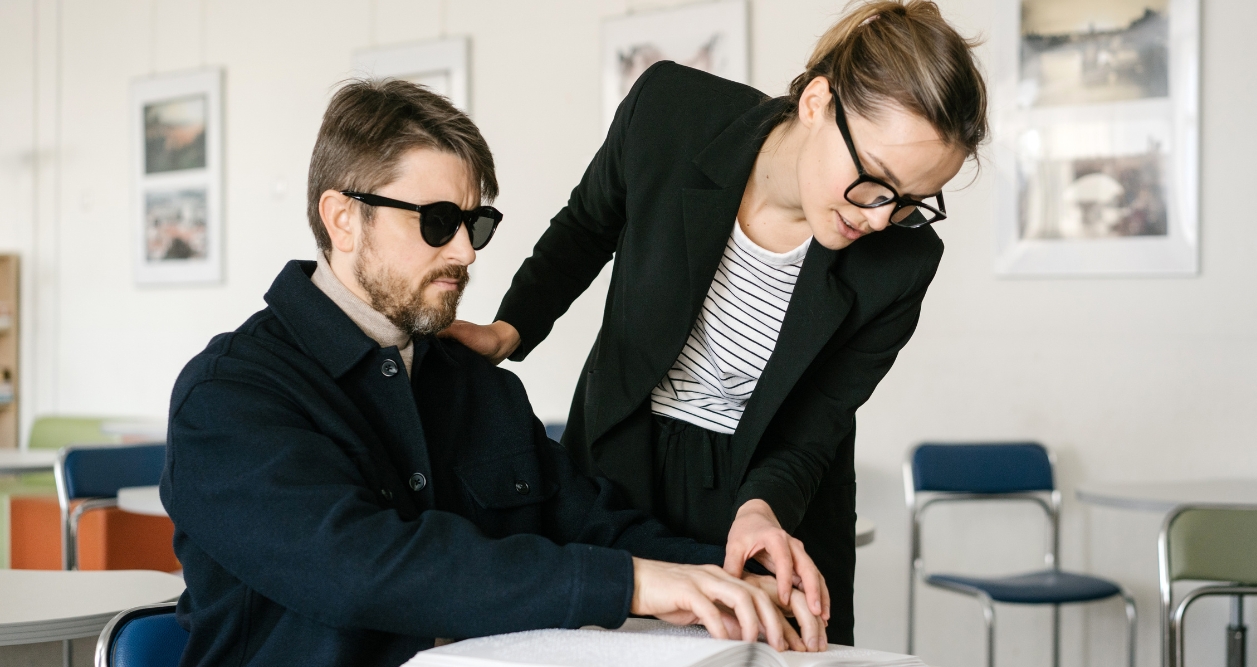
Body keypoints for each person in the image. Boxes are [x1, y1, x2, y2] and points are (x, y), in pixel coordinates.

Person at [161, 79, 827, 667]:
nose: (463, 252)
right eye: (437, 222)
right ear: (343, 218)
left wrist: (727, 572)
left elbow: (591, 522)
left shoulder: (473, 381)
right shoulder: (229, 396)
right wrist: (632, 584)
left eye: (473, 224)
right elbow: (368, 567)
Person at [442, 0, 989, 644]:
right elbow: (587, 228)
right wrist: (509, 329)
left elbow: (817, 423)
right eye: (875, 182)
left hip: (771, 499)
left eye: (912, 203)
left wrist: (762, 509)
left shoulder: (903, 258)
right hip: (623, 460)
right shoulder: (672, 113)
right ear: (817, 102)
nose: (878, 218)